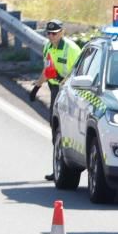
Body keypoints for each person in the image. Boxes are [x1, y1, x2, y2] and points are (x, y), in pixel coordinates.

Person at [31, 19, 81, 181]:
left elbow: (79, 73)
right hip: (55, 91)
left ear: (62, 32)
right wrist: (37, 87)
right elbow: (48, 69)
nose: (51, 36)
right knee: (55, 129)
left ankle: (68, 166)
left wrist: (63, 80)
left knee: (68, 129)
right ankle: (58, 168)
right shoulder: (48, 46)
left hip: (69, 92)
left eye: (54, 33)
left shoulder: (71, 49)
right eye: (49, 33)